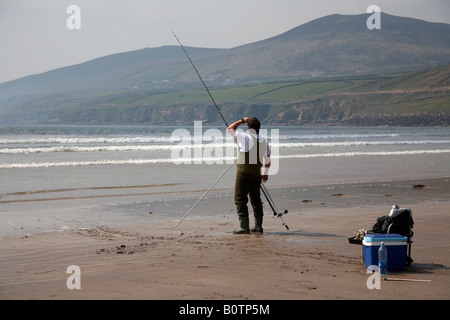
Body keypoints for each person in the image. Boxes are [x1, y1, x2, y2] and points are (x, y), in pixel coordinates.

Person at [227, 117, 271, 234]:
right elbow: (268, 160)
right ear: (258, 128)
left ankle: (244, 227)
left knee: (240, 199)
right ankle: (258, 227)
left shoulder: (245, 137)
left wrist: (242, 120)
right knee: (256, 199)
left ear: (248, 128)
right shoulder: (263, 141)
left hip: (243, 173)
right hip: (257, 173)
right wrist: (265, 174)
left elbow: (230, 128)